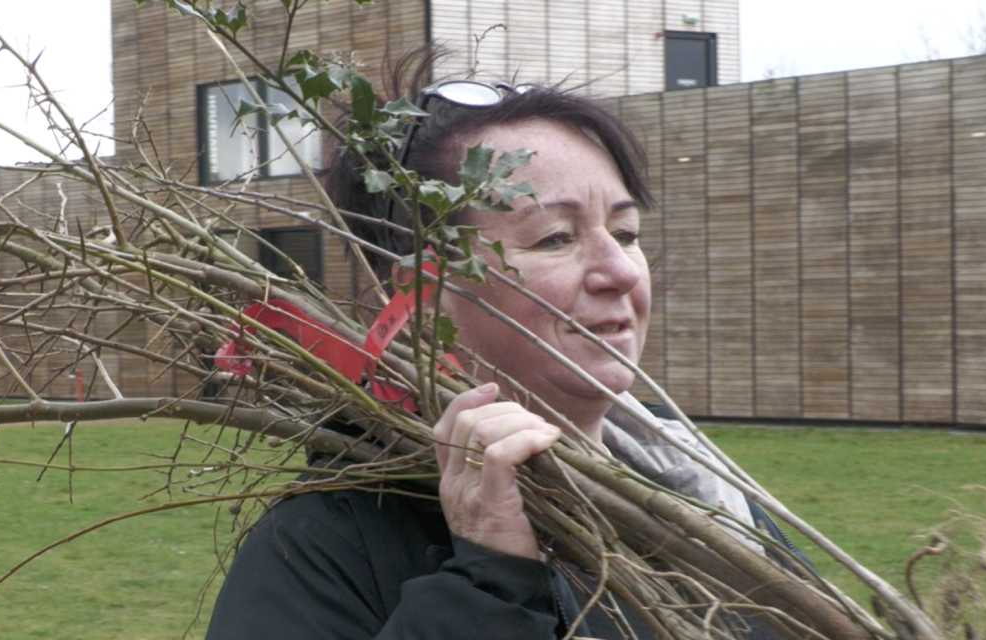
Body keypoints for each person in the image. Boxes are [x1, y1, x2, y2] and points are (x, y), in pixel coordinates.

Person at [205, 66, 790, 639]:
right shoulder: (323, 546)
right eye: (555, 237)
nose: (618, 269)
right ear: (422, 295)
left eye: (626, 233)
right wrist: (489, 586)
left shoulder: (697, 478)